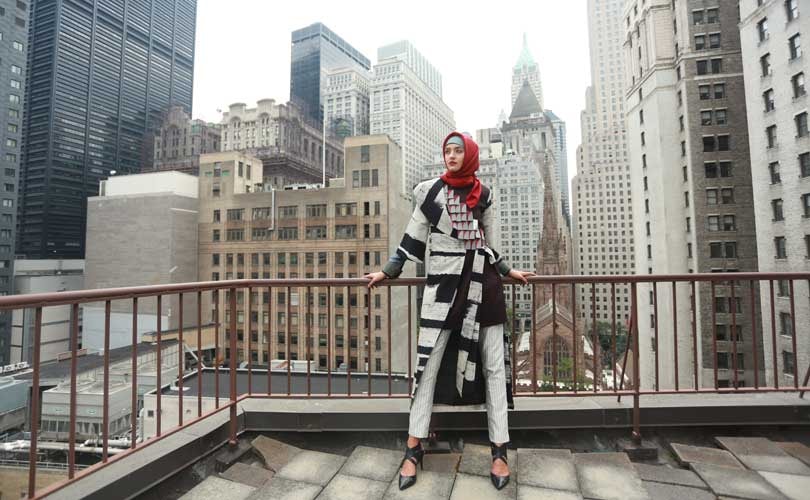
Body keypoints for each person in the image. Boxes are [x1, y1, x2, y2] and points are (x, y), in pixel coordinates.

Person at [364, 131, 535, 491]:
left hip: (484, 287)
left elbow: (491, 247)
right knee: (425, 366)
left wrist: (508, 271)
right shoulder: (429, 193)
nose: (452, 156)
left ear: (469, 155)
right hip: (442, 288)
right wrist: (388, 271)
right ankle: (413, 448)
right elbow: (412, 238)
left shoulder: (485, 195)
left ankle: (499, 451)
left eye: (458, 151)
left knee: (493, 369)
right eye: (448, 151)